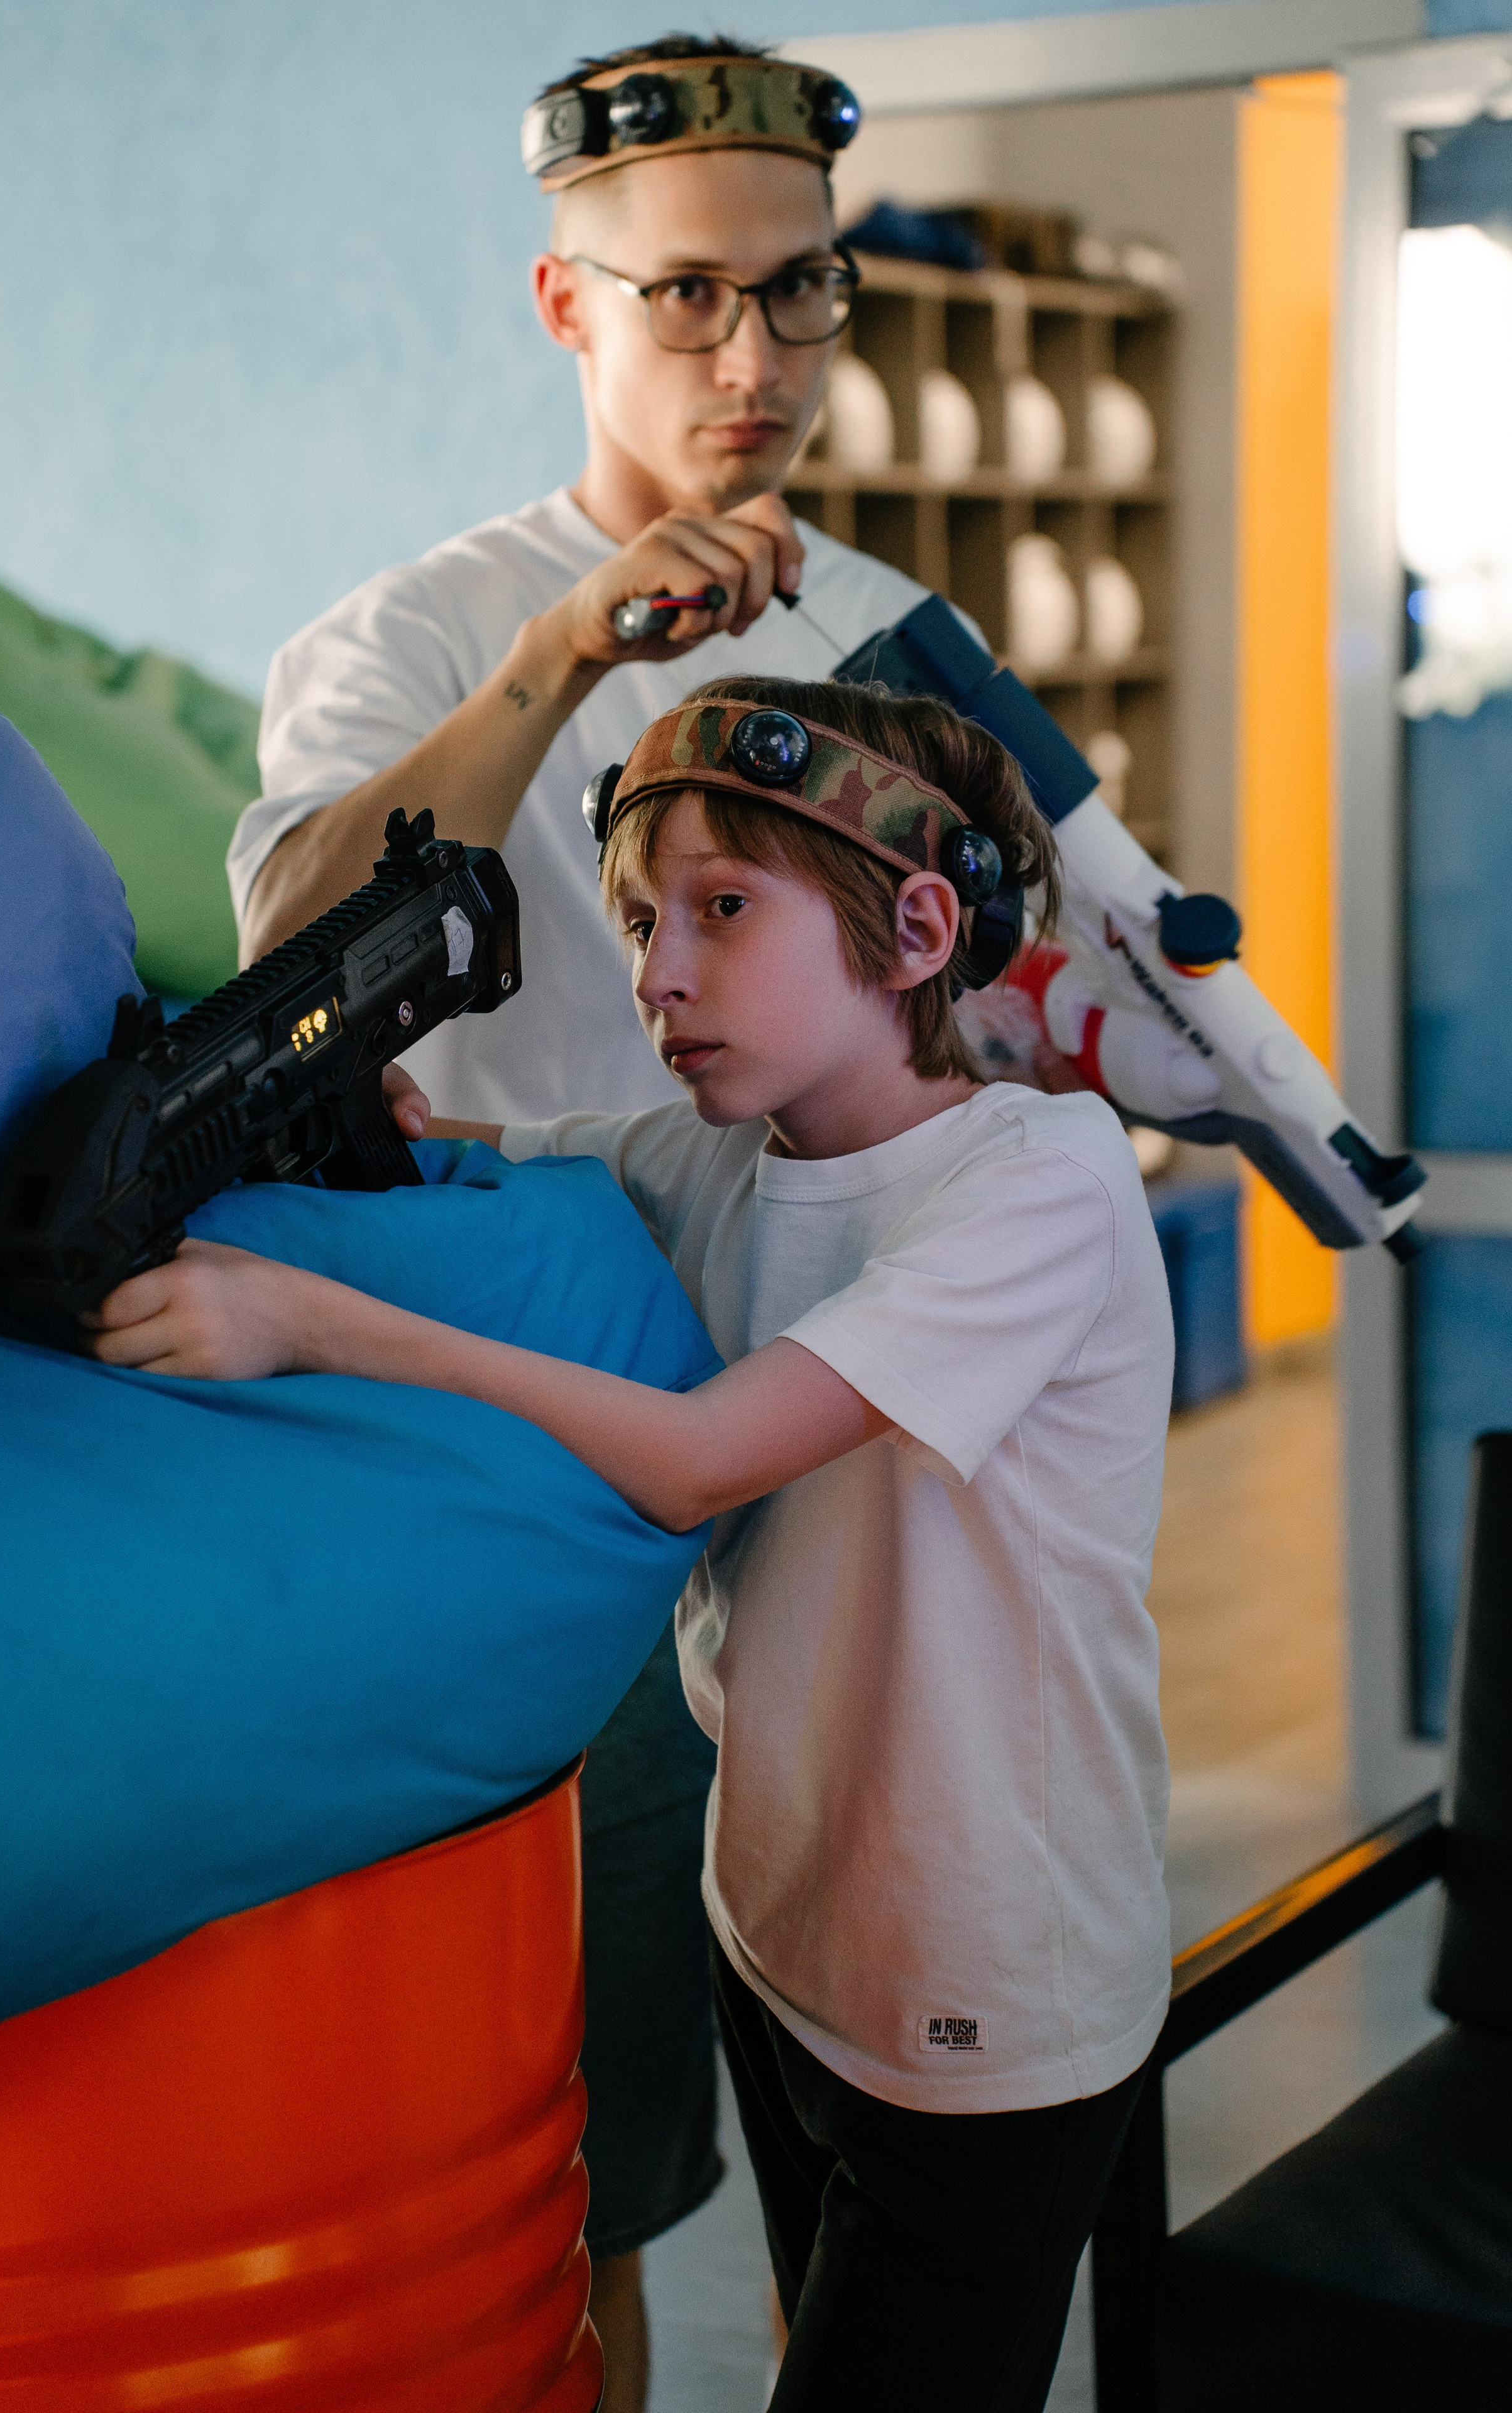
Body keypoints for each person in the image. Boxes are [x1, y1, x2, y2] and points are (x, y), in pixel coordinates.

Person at [99, 677, 1175, 2410]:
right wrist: (347, 1123)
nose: (657, 976)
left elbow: (697, 1463)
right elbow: (478, 1167)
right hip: (788, 1933)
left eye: (721, 911)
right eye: (638, 924)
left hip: (987, 1977)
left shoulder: (1040, 1184)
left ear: (915, 931)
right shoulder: (712, 1162)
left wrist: (303, 1319)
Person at [222, 35, 956, 2401]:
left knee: (879, 2062)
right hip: (556, 1431)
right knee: (582, 2156)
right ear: (567, 304)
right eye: (688, 298)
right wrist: (566, 660)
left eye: (803, 291)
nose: (756, 356)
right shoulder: (425, 631)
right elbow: (289, 952)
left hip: (847, 1394)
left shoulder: (884, 632)